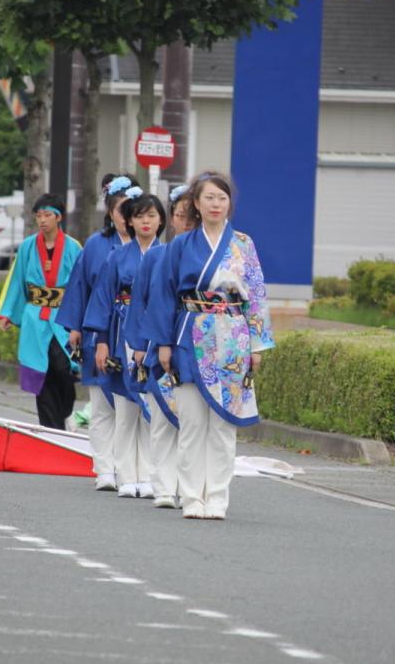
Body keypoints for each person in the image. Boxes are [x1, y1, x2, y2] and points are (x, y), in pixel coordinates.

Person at [148, 172, 275, 521]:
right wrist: (162, 344)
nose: (216, 204)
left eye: (222, 197)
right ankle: (192, 497)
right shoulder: (180, 246)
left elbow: (257, 295)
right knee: (191, 424)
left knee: (222, 427)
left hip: (233, 340)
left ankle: (217, 496)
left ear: (229, 202)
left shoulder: (244, 244)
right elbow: (162, 297)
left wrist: (258, 344)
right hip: (189, 336)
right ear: (196, 204)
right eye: (209, 198)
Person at [84, 190, 166, 499]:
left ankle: (147, 475)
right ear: (129, 221)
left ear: (161, 221)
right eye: (139, 216)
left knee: (151, 411)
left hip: (155, 335)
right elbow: (103, 299)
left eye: (152, 216)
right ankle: (125, 474)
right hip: (121, 335)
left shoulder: (168, 255)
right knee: (124, 409)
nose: (146, 221)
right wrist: (102, 341)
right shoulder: (117, 256)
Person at [56, 174, 133, 490]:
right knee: (101, 404)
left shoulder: (154, 247)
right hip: (100, 331)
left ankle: (129, 467)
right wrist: (75, 326)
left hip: (136, 334)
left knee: (132, 407)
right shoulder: (96, 246)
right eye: (120, 211)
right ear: (110, 212)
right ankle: (104, 468)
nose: (127, 218)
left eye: (133, 210)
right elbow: (80, 286)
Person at [127, 185, 193, 508]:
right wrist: (140, 344)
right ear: (172, 220)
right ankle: (164, 486)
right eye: (180, 215)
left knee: (192, 421)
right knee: (163, 419)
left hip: (195, 345)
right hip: (160, 345)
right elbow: (140, 301)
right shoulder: (156, 255)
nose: (185, 221)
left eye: (189, 215)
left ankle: (188, 485)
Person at [0, 193, 83, 430]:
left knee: (63, 368)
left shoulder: (74, 248)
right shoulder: (26, 247)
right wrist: (7, 313)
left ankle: (66, 411)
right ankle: (50, 430)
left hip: (62, 316)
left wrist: (79, 320)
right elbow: (16, 280)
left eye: (47, 215)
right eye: (39, 216)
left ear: (58, 218)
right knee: (40, 373)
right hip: (35, 315)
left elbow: (81, 284)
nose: (42, 220)